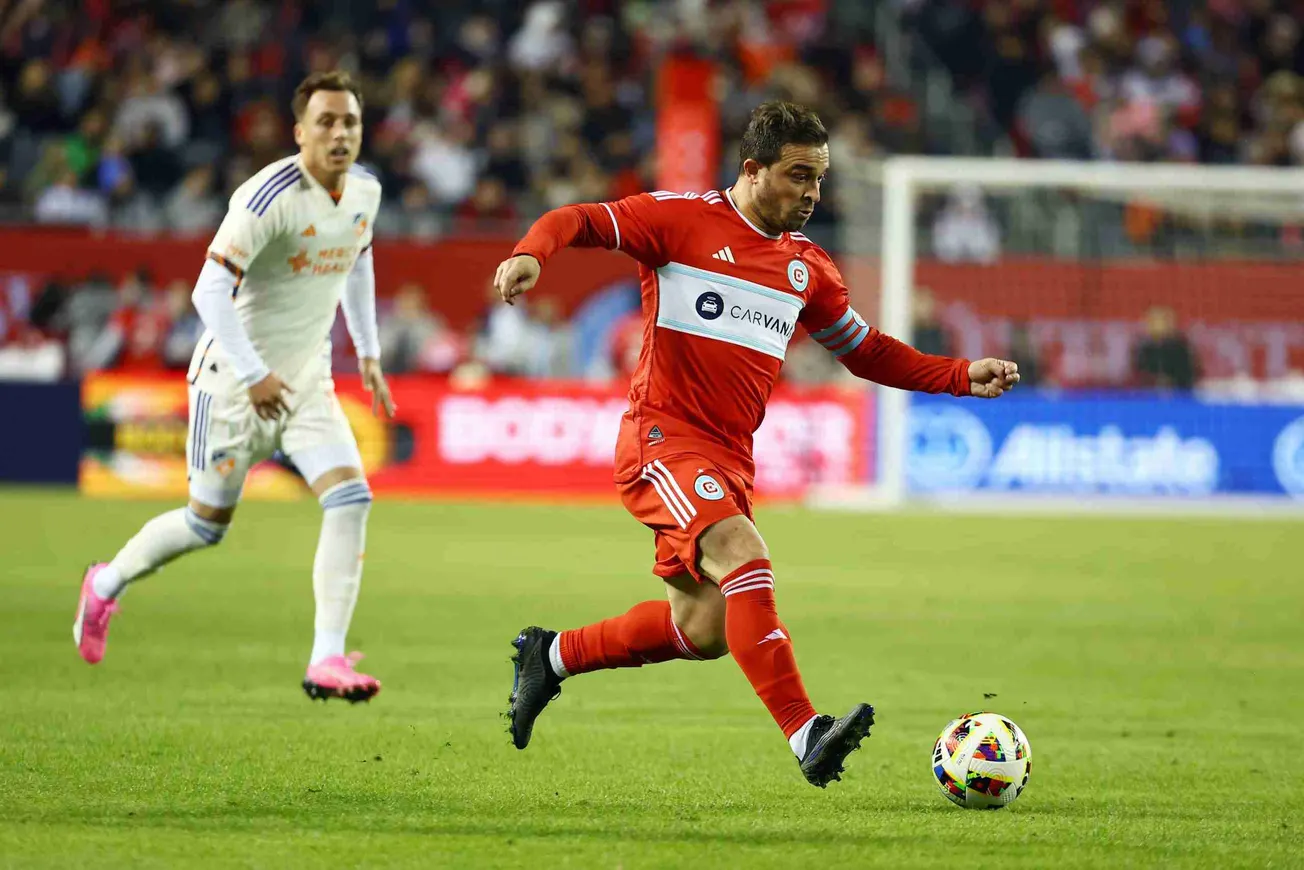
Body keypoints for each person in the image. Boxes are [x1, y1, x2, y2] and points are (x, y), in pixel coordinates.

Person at [492, 101, 1019, 787]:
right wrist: (530, 253)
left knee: (703, 628)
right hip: (662, 440)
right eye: (799, 176)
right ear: (752, 169)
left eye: (820, 178)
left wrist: (957, 375)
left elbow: (864, 351)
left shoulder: (808, 268)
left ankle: (552, 656)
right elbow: (579, 219)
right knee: (745, 555)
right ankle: (807, 733)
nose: (812, 193)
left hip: (731, 459)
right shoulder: (680, 220)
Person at [73, 71, 395, 704]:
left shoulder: (366, 191)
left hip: (307, 383)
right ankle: (104, 585)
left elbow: (359, 261)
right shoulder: (266, 196)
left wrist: (369, 351)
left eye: (350, 122)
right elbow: (208, 290)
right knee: (206, 524)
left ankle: (326, 658)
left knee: (351, 498)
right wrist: (254, 374)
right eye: (326, 122)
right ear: (300, 132)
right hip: (231, 383)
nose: (339, 134)